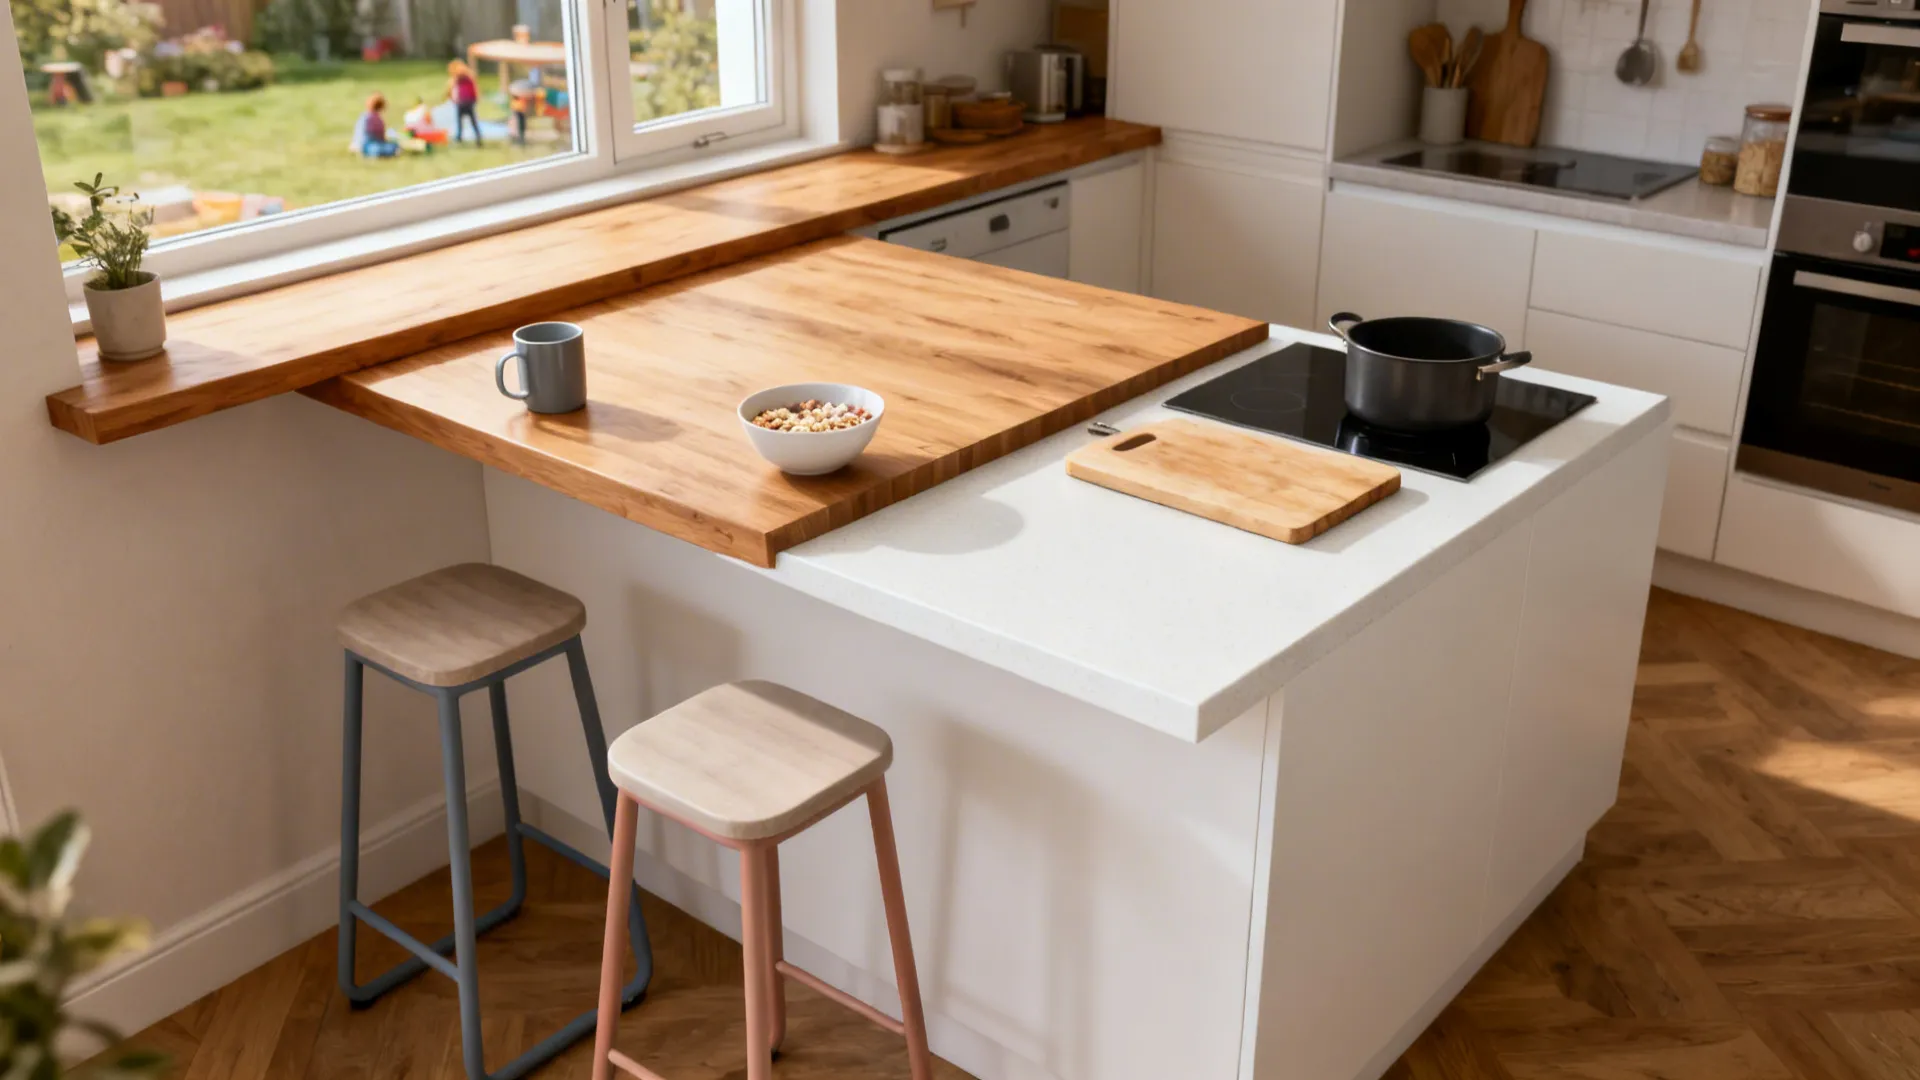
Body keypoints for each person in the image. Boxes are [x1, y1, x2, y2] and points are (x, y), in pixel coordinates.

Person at [447, 60, 483, 145]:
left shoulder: (460, 80)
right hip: (468, 102)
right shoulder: (467, 79)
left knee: (462, 120)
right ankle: (476, 136)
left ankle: (461, 137)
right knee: (471, 121)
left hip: (463, 102)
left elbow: (451, 89)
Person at [353, 93, 400, 158]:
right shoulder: (376, 119)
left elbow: (358, 134)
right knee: (391, 147)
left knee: (389, 146)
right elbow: (382, 136)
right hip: (369, 145)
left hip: (362, 144)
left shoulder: (364, 116)